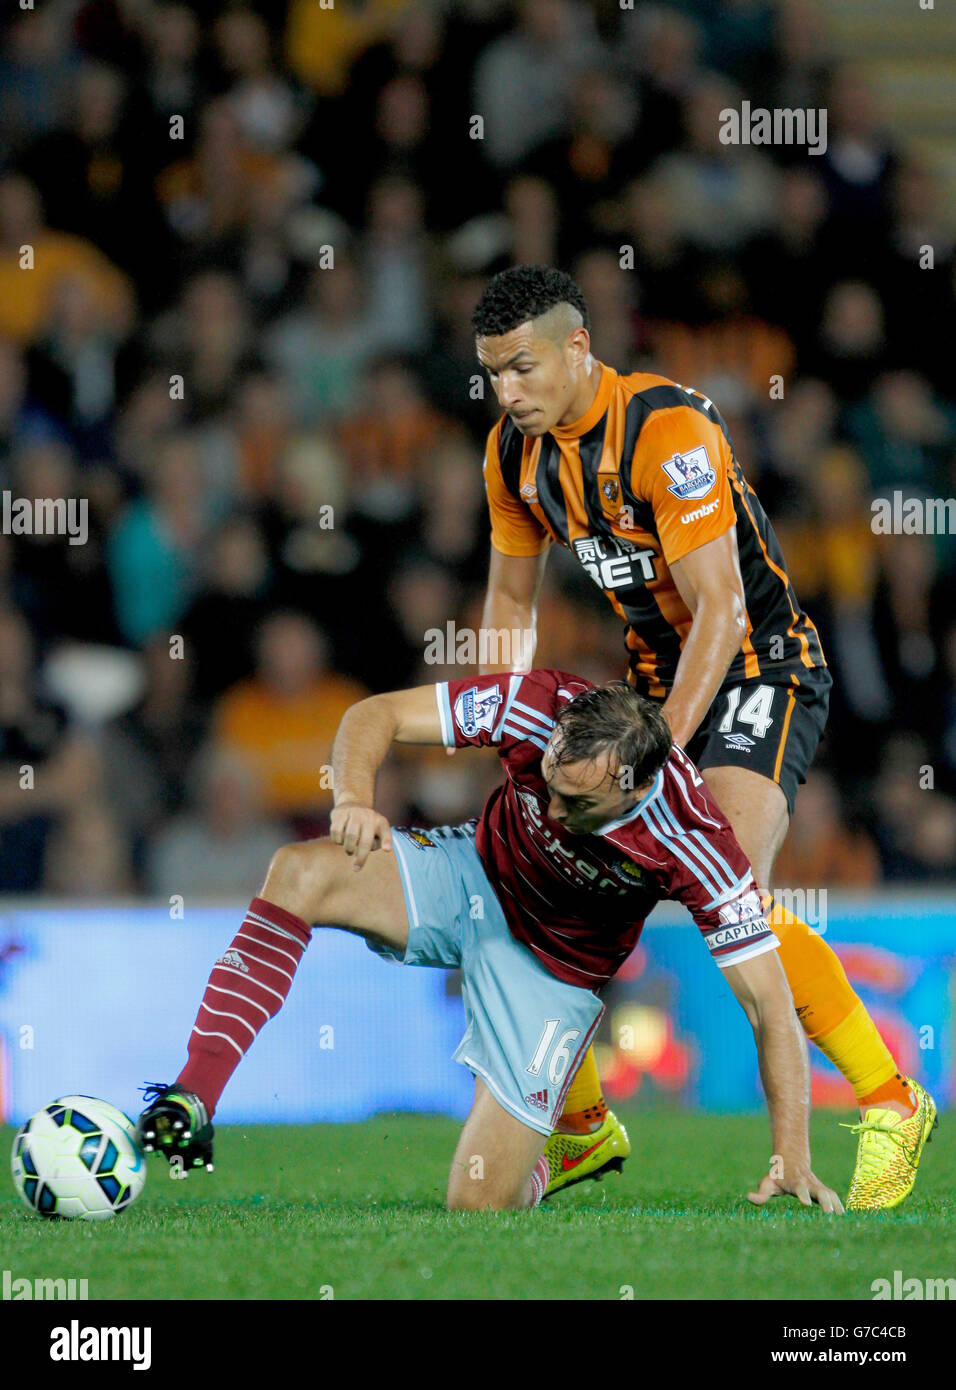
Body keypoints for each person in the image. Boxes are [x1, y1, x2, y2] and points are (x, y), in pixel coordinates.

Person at [473, 265, 935, 1211]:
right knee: (547, 877)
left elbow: (721, 609)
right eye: (491, 374)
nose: (506, 392)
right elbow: (510, 602)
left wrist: (654, 760)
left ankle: (891, 1098)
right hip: (654, 680)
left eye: (521, 368)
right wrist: (502, 720)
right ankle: (585, 1125)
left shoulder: (666, 429)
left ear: (577, 348)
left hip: (759, 664)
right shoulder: (513, 459)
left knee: (729, 890)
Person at [137, 669, 844, 1214]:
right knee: (298, 870)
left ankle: (570, 1145)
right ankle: (195, 1096)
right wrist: (353, 799)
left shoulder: (695, 841)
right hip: (467, 874)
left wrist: (791, 1152)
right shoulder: (534, 705)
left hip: (549, 976)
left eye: (579, 806)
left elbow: (769, 1009)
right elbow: (372, 713)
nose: (554, 809)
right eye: (548, 785)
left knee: (476, 1204)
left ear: (637, 792)